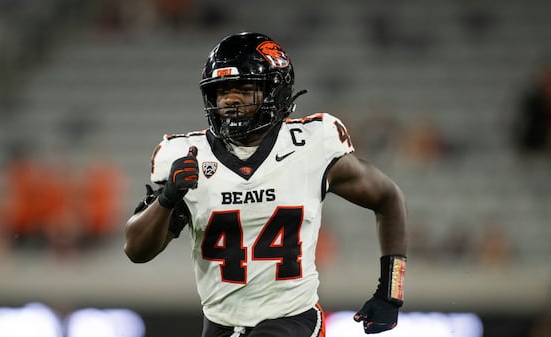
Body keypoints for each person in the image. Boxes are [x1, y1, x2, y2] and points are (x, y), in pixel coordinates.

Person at [124, 32, 408, 336]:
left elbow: (388, 197)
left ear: (277, 92)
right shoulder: (188, 156)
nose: (230, 101)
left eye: (244, 90)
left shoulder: (312, 145)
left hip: (293, 320)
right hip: (220, 325)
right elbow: (136, 250)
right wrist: (167, 198)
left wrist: (390, 291)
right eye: (222, 92)